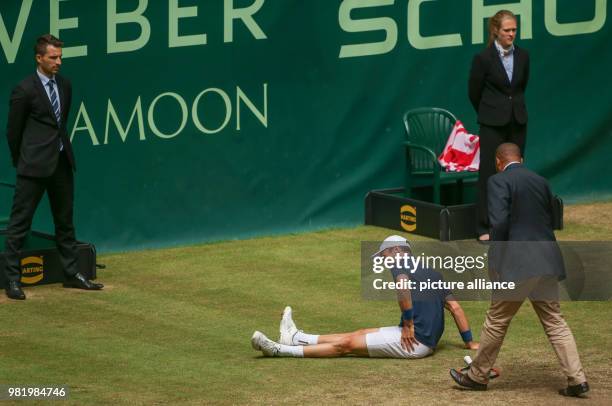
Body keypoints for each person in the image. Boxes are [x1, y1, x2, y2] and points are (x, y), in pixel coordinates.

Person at [449, 143, 589, 397]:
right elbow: (554, 219)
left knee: (496, 320)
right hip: (547, 260)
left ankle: (477, 376)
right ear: (521, 159)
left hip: (518, 263)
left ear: (498, 161)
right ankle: (577, 379)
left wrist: (498, 259)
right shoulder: (541, 180)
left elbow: (499, 221)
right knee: (555, 321)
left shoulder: (497, 180)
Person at [251, 235, 479, 359]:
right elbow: (456, 309)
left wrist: (408, 323)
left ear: (397, 251)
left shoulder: (399, 263)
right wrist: (469, 342)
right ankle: (296, 337)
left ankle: (280, 351)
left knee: (347, 345)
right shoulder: (432, 271)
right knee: (357, 334)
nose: (382, 259)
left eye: (383, 254)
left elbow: (402, 287)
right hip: (419, 338)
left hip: (416, 343)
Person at [3, 34, 103, 300]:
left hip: (61, 162)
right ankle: (12, 279)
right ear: (39, 58)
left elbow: (60, 124)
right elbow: (13, 132)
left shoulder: (66, 85)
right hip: (33, 166)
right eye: (53, 57)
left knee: (65, 221)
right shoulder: (24, 90)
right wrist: (23, 160)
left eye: (60, 57)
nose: (58, 61)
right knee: (19, 224)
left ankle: (71, 274)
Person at [468, 10, 530, 242]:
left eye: (514, 30)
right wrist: (490, 112)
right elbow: (474, 92)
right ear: (496, 31)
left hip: (518, 121)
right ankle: (483, 226)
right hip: (492, 123)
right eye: (507, 30)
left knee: (516, 171)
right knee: (489, 173)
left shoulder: (524, 56)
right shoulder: (483, 58)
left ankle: (515, 223)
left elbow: (521, 87)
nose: (511, 34)